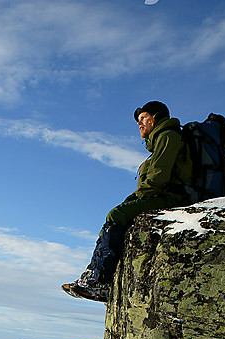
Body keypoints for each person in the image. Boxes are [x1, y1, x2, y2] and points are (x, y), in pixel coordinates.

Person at [62, 100, 193, 302]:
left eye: (143, 118)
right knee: (118, 212)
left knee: (117, 214)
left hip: (173, 197)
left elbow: (159, 175)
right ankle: (93, 274)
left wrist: (141, 195)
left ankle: (100, 280)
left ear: (156, 118)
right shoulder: (162, 138)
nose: (139, 124)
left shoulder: (168, 136)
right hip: (166, 194)